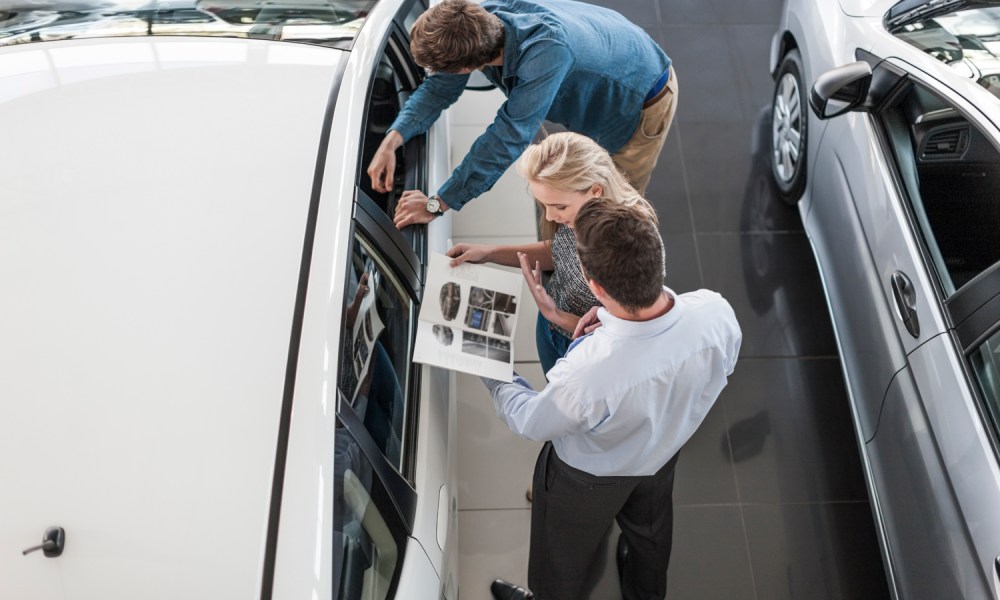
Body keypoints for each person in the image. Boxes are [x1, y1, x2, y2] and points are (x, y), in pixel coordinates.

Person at [482, 199, 742, 600]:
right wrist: (605, 323)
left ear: (597, 288)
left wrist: (491, 366)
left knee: (560, 562)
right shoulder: (716, 313)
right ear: (658, 257)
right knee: (651, 536)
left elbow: (530, 420)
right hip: (662, 456)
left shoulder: (588, 373)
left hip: (586, 480)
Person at [367, 0, 678, 229]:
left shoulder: (547, 53)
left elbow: (506, 139)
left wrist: (436, 204)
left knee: (613, 200)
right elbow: (439, 89)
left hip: (641, 93)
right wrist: (391, 141)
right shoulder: (482, 22)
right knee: (572, 193)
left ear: (467, 69)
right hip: (602, 53)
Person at [447, 131, 657, 376]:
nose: (548, 217)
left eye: (559, 206)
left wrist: (555, 315)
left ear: (595, 191)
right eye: (543, 205)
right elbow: (559, 251)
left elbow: (621, 331)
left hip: (583, 349)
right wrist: (489, 253)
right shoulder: (579, 216)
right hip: (550, 324)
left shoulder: (633, 244)